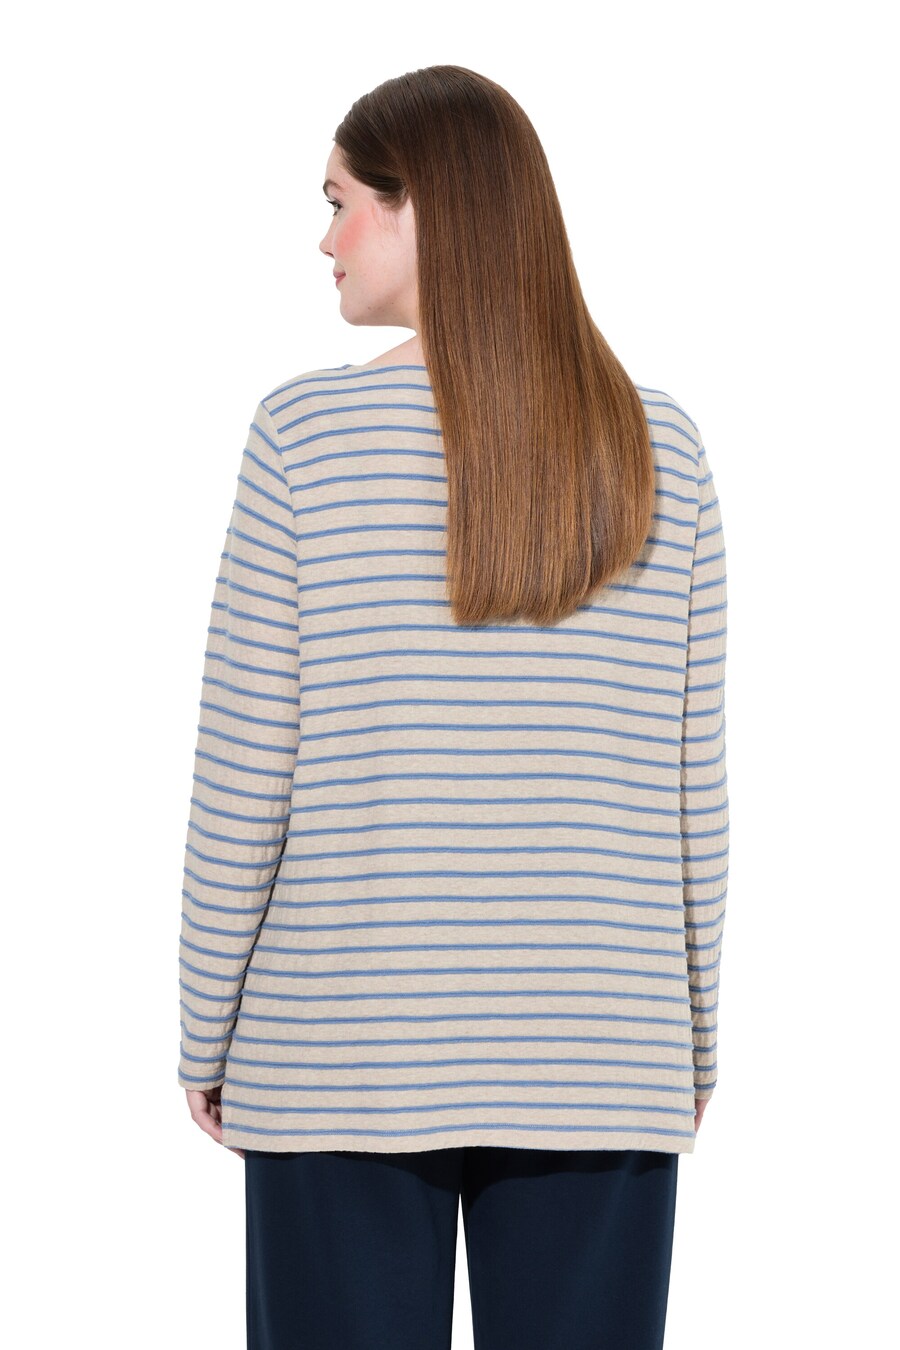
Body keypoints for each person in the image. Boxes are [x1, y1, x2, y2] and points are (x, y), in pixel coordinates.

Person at [177, 63, 729, 1350]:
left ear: (418, 202)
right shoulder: (662, 449)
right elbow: (689, 794)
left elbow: (244, 778)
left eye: (339, 202)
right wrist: (688, 1044)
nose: (324, 238)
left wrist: (207, 1032)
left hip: (339, 1057)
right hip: (602, 1054)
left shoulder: (304, 440)